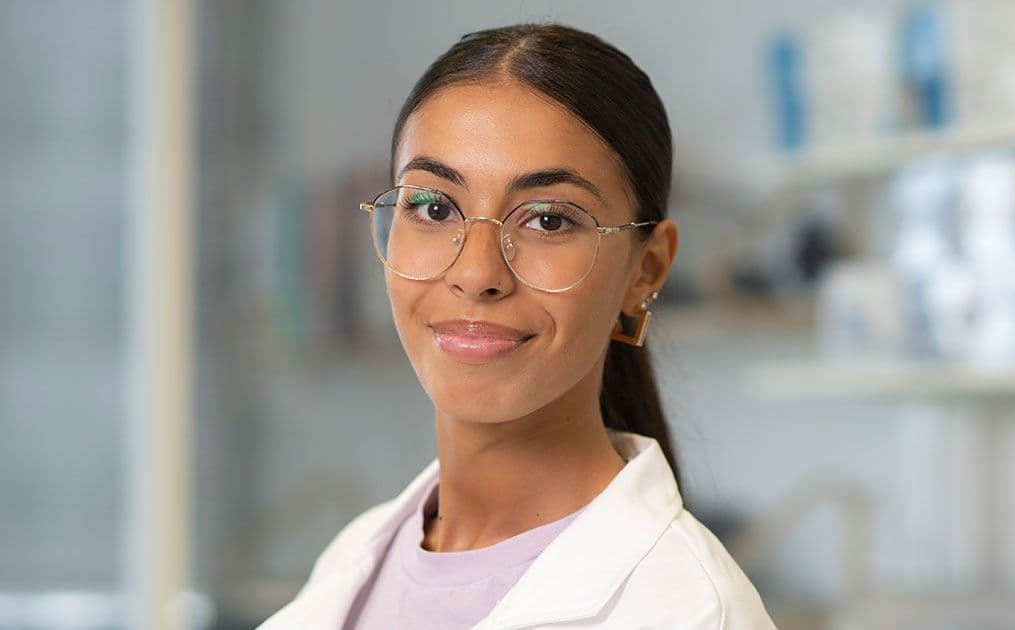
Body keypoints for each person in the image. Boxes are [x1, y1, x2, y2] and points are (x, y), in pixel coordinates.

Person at [259, 21, 778, 629]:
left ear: (647, 268)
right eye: (432, 207)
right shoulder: (355, 561)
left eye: (549, 221)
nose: (477, 273)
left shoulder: (688, 611)